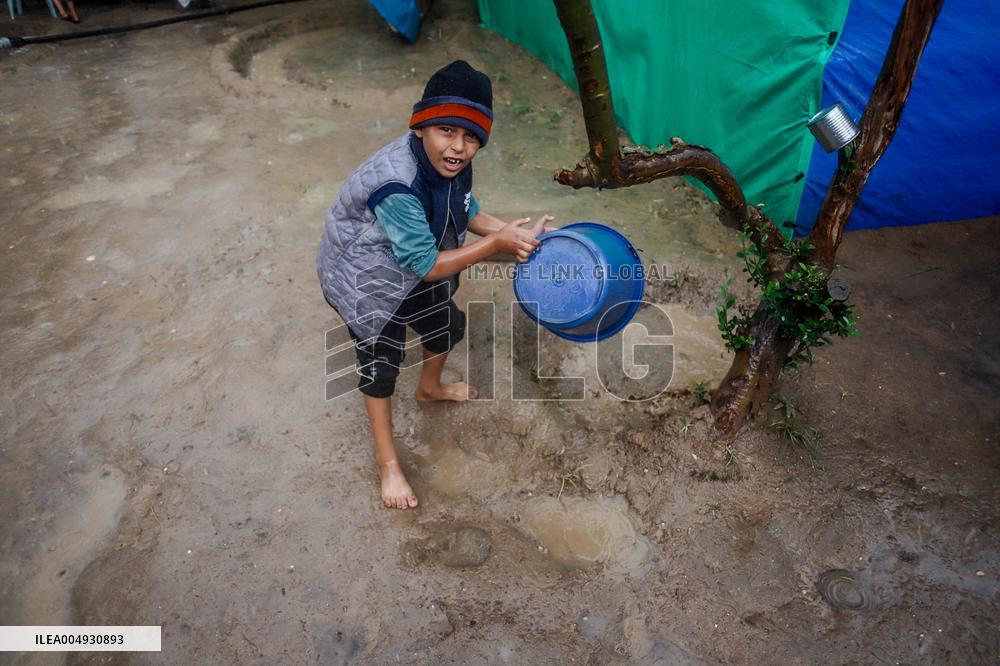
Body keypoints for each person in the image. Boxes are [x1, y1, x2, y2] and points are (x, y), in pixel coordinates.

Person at [317, 60, 554, 510]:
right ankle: (388, 463)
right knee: (380, 366)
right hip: (367, 279)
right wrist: (497, 245)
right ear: (421, 127)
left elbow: (467, 211)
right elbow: (426, 264)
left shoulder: (452, 164)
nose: (459, 147)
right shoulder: (397, 185)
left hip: (413, 261)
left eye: (471, 138)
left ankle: (429, 388)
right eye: (447, 130)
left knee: (446, 325)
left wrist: (516, 237)